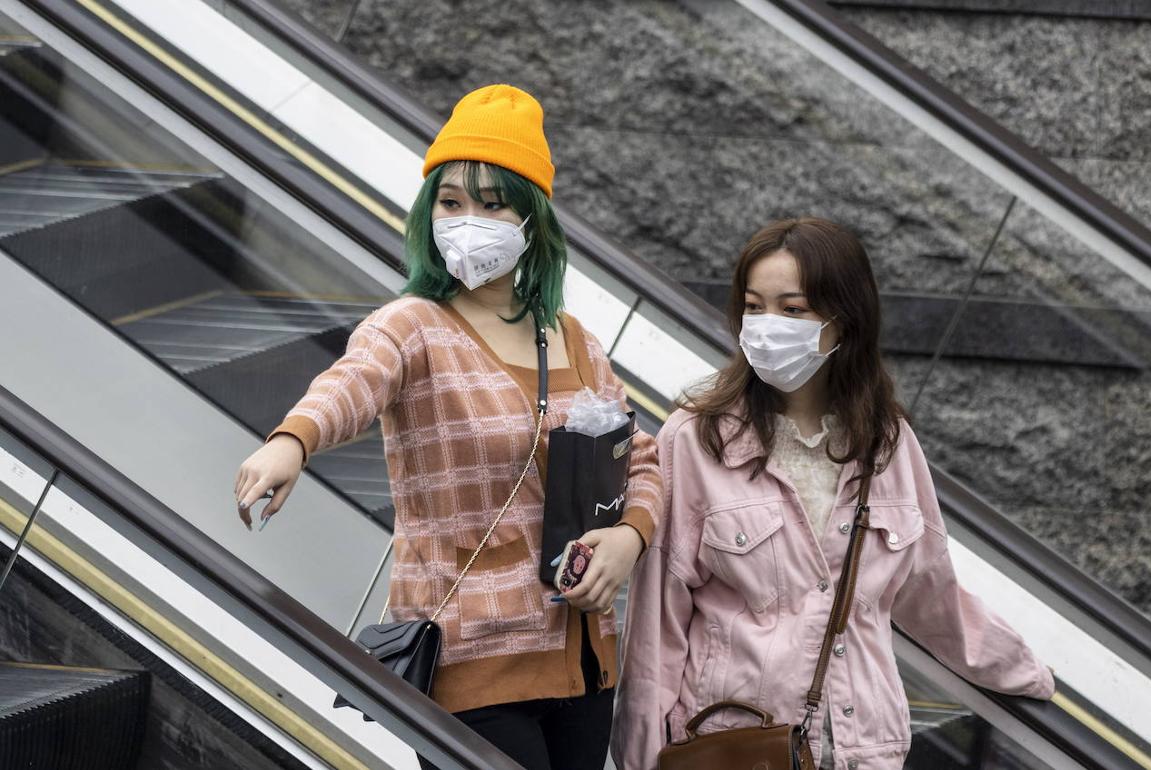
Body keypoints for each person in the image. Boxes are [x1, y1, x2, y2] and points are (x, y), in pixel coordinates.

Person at [233, 84, 661, 770]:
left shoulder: (571, 338)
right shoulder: (413, 326)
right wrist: (294, 440)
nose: (469, 221)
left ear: (532, 220)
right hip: (471, 663)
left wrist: (629, 538)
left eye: (493, 203)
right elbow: (352, 382)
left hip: (583, 662)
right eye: (452, 202)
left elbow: (642, 459)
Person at [612, 218, 1053, 770]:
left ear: (845, 320)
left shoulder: (887, 444)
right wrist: (639, 759)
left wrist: (1023, 671)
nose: (768, 326)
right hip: (735, 744)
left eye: (793, 310)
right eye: (754, 306)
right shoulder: (696, 439)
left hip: (861, 748)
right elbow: (656, 630)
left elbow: (931, 593)